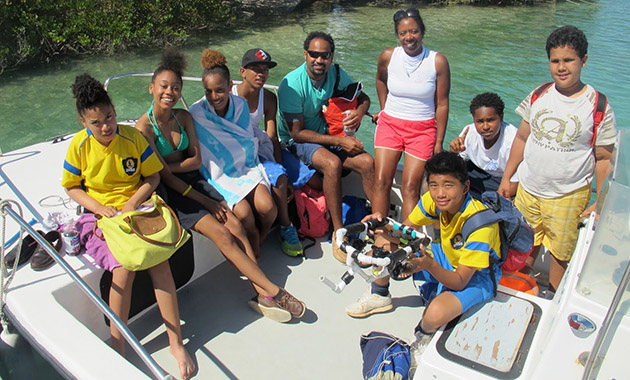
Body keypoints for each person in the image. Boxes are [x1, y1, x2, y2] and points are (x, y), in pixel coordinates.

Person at [136, 48, 306, 322]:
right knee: (226, 234)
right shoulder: (144, 128)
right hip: (175, 193)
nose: (170, 92)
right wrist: (207, 200)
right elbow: (165, 177)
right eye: (164, 86)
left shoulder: (185, 117)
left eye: (176, 87)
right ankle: (272, 291)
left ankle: (262, 291)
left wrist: (178, 171)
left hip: (196, 182)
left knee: (238, 225)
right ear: (151, 87)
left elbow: (196, 160)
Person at [62, 74, 195, 379]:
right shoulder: (79, 146)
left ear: (114, 110)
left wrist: (133, 201)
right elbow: (72, 186)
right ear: (84, 121)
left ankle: (176, 342)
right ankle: (118, 344)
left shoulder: (132, 138)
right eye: (96, 122)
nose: (106, 126)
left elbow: (153, 177)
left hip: (137, 206)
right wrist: (98, 208)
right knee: (122, 270)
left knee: (161, 263)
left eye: (109, 117)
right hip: (102, 214)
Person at [498, 25, 616, 293]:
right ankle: (519, 287)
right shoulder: (539, 94)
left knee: (560, 252)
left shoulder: (598, 105)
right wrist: (508, 177)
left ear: (583, 61)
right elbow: (521, 138)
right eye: (555, 61)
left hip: (569, 194)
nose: (561, 67)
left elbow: (604, 158)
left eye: (569, 60)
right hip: (528, 188)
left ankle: (552, 294)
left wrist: (600, 200)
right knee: (524, 243)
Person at [350, 152, 501, 357]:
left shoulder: (479, 226)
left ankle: (423, 338)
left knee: (434, 314)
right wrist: (382, 224)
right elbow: (404, 229)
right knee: (382, 243)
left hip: (476, 276)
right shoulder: (433, 199)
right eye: (434, 185)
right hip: (445, 254)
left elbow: (459, 282)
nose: (440, 193)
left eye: (448, 185)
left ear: (465, 187)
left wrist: (428, 265)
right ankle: (379, 294)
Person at [277, 31, 376, 262]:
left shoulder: (337, 74)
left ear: (331, 57)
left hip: (327, 136)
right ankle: (339, 234)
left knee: (367, 162)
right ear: (305, 55)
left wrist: (359, 115)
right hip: (297, 142)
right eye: (314, 54)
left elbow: (364, 99)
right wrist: (340, 141)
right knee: (332, 164)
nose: (319, 60)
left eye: (325, 55)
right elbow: (297, 133)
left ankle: (377, 225)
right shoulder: (291, 84)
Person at [189, 49, 277, 259]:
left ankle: (262, 235)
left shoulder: (240, 105)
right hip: (218, 171)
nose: (213, 97)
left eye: (219, 90)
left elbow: (245, 141)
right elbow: (204, 149)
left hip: (245, 165)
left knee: (269, 208)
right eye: (208, 91)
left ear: (230, 86)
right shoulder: (197, 112)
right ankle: (254, 240)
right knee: (245, 214)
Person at [232, 48, 316, 257]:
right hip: (235, 152)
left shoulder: (268, 98)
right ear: (242, 72)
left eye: (265, 70)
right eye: (255, 69)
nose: (261, 74)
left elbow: (272, 137)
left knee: (304, 178)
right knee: (279, 178)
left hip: (260, 147)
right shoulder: (229, 96)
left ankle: (307, 217)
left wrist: (280, 166)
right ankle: (287, 225)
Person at [372, 8, 451, 221]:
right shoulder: (388, 56)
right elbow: (380, 80)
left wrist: (439, 142)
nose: (409, 37)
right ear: (398, 35)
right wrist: (384, 109)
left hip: (422, 130)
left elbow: (442, 104)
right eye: (403, 33)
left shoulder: (437, 61)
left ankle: (408, 241)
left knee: (410, 187)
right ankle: (378, 234)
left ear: (422, 32)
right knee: (380, 180)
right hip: (389, 125)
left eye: (414, 31)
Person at [449, 92, 518, 199]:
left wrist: (501, 195)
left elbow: (517, 182)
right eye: (480, 121)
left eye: (491, 120)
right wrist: (454, 152)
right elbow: (453, 165)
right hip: (477, 172)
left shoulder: (513, 140)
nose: (485, 127)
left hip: (504, 179)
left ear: (501, 117)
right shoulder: (469, 132)